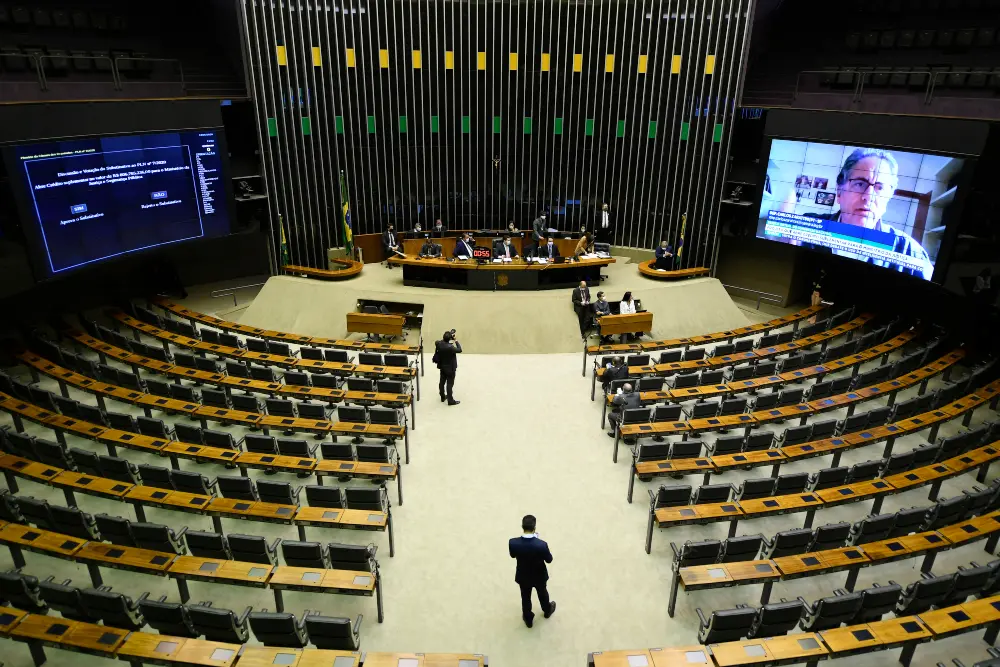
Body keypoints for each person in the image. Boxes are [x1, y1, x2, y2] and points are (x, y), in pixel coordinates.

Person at [797, 148, 933, 280]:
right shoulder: (804, 229)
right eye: (860, 184)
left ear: (888, 198)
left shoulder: (910, 252)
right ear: (839, 192)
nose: (868, 197)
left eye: (880, 187)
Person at [508, 514, 556, 628]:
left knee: (525, 597)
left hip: (523, 575)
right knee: (542, 593)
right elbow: (549, 560)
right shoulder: (541, 545)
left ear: (522, 527)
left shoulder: (513, 543)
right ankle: (547, 610)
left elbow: (512, 555)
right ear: (534, 528)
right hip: (539, 575)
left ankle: (528, 619)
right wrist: (537, 540)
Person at [433, 330, 462, 405]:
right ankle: (450, 400)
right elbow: (460, 349)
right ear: (449, 339)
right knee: (449, 384)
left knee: (442, 382)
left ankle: (442, 396)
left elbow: (440, 341)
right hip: (450, 368)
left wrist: (447, 336)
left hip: (442, 366)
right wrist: (455, 340)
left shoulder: (438, 344)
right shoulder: (451, 347)